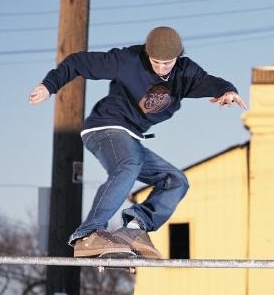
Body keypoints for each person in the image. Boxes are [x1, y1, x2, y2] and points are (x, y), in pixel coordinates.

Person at [29, 26, 246, 259]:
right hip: (105, 128)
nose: (162, 69)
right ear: (147, 54)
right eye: (156, 62)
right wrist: (49, 85)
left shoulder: (186, 73)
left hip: (132, 138)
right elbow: (78, 62)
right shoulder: (128, 60)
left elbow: (209, 82)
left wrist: (227, 90)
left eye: (168, 63)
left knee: (175, 180)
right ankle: (88, 234)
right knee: (129, 164)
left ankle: (134, 228)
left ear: (177, 57)